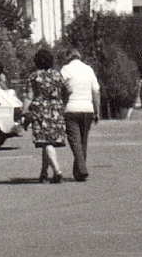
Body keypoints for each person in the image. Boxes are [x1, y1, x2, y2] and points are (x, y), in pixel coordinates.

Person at [22, 48, 67, 183]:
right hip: (56, 110)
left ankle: (57, 171)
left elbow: (29, 96)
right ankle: (44, 173)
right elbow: (68, 90)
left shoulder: (34, 76)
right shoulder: (57, 75)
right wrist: (62, 101)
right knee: (48, 142)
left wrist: (24, 112)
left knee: (45, 142)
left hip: (40, 111)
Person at [60, 48, 101, 182]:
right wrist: (97, 110)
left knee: (75, 141)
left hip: (71, 108)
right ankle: (78, 172)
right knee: (83, 141)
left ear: (68, 57)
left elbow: (61, 88)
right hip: (87, 108)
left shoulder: (65, 69)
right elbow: (96, 91)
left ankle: (82, 169)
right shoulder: (88, 69)